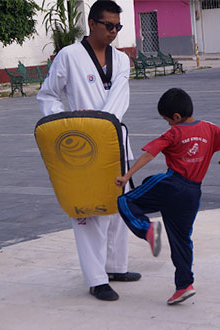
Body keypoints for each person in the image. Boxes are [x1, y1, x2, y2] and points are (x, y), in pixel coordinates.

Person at [37, 0, 140, 301]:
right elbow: (48, 96)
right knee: (89, 210)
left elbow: (121, 99)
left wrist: (103, 125)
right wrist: (69, 122)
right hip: (82, 146)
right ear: (92, 23)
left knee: (120, 206)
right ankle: (96, 279)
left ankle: (116, 266)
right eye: (109, 25)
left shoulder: (121, 60)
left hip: (115, 142)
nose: (114, 32)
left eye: (118, 27)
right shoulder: (69, 56)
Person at [115, 88, 220, 305]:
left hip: (173, 184)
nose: (168, 125)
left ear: (176, 117)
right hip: (193, 193)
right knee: (181, 240)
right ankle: (184, 286)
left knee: (125, 200)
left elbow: (149, 153)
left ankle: (147, 229)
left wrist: (127, 176)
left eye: (167, 121)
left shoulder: (173, 133)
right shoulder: (210, 129)